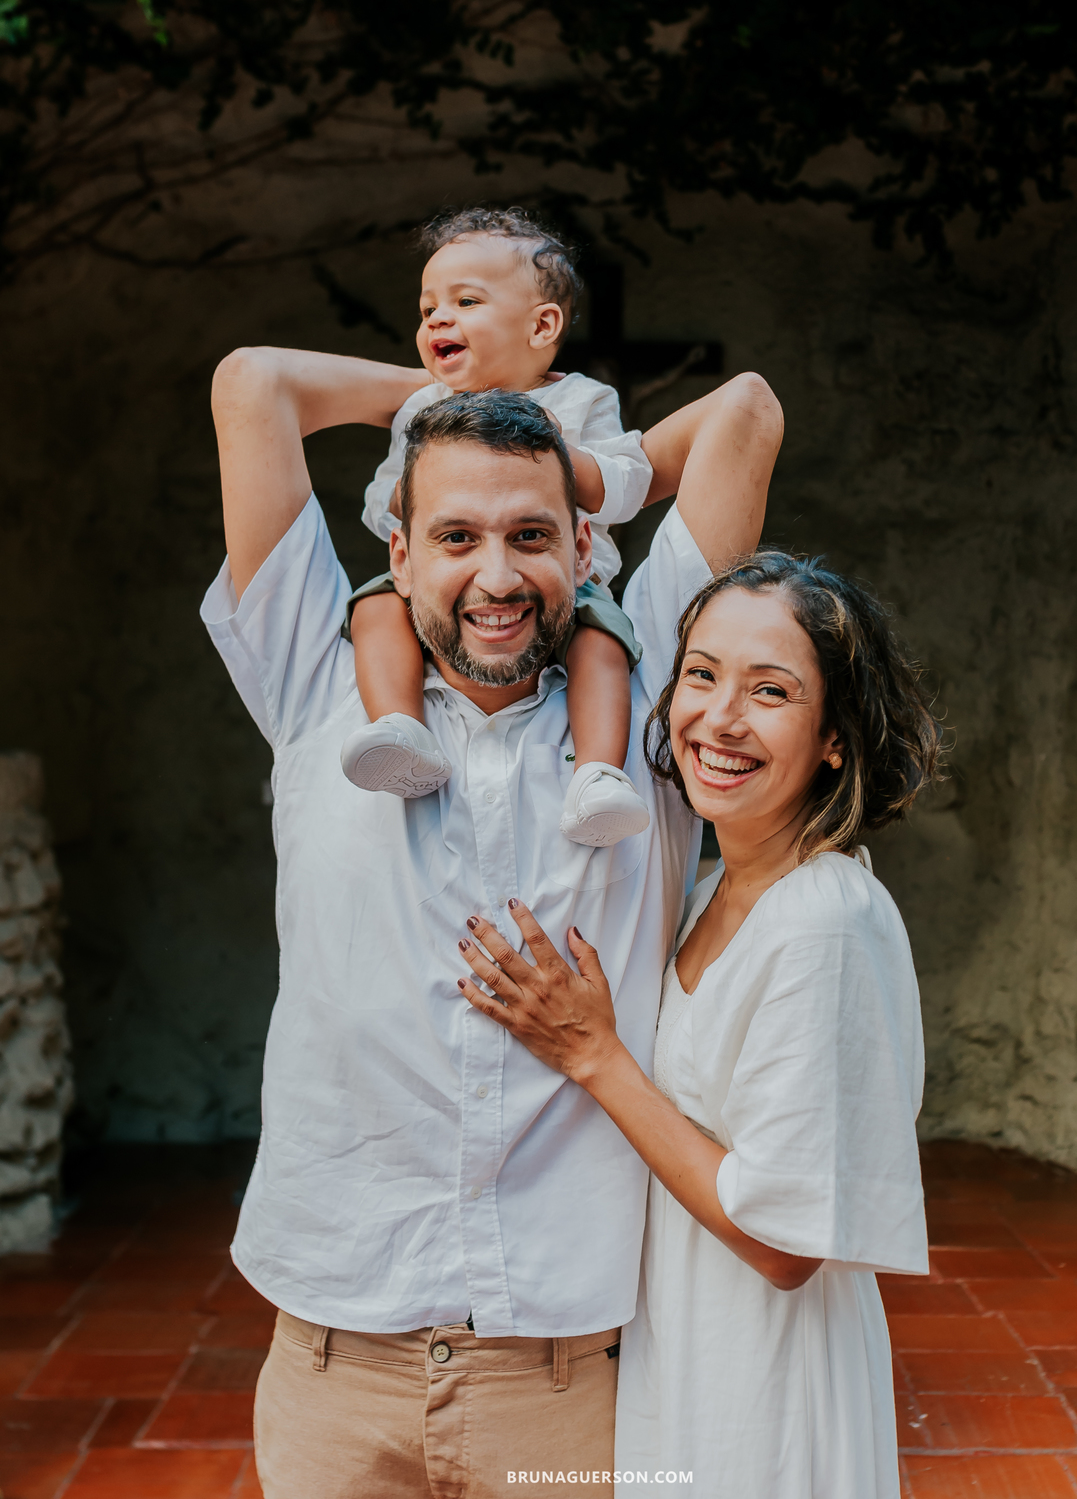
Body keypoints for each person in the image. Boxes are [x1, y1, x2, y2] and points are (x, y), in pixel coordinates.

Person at [203, 332, 783, 1498]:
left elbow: (748, 413)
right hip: (330, 1357)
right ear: (398, 554)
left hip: (564, 1377)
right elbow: (252, 385)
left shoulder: (651, 718)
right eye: (457, 537)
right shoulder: (319, 686)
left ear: (581, 545)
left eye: (530, 535)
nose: (499, 576)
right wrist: (444, 403)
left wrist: (576, 456)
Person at [455, 551, 940, 1499]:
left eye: (770, 691)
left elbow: (784, 1243)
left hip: (766, 1388)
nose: (719, 718)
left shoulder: (824, 920)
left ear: (835, 736)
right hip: (681, 1356)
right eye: (703, 675)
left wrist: (595, 1057)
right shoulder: (714, 886)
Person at [341, 206, 659, 847]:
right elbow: (383, 506)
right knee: (372, 608)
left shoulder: (578, 401)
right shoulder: (424, 410)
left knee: (603, 645)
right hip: (440, 586)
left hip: (571, 591)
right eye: (428, 307)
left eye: (465, 301)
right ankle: (401, 730)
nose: (436, 318)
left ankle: (598, 773)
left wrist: (547, 452)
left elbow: (628, 485)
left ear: (542, 325)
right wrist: (428, 473)